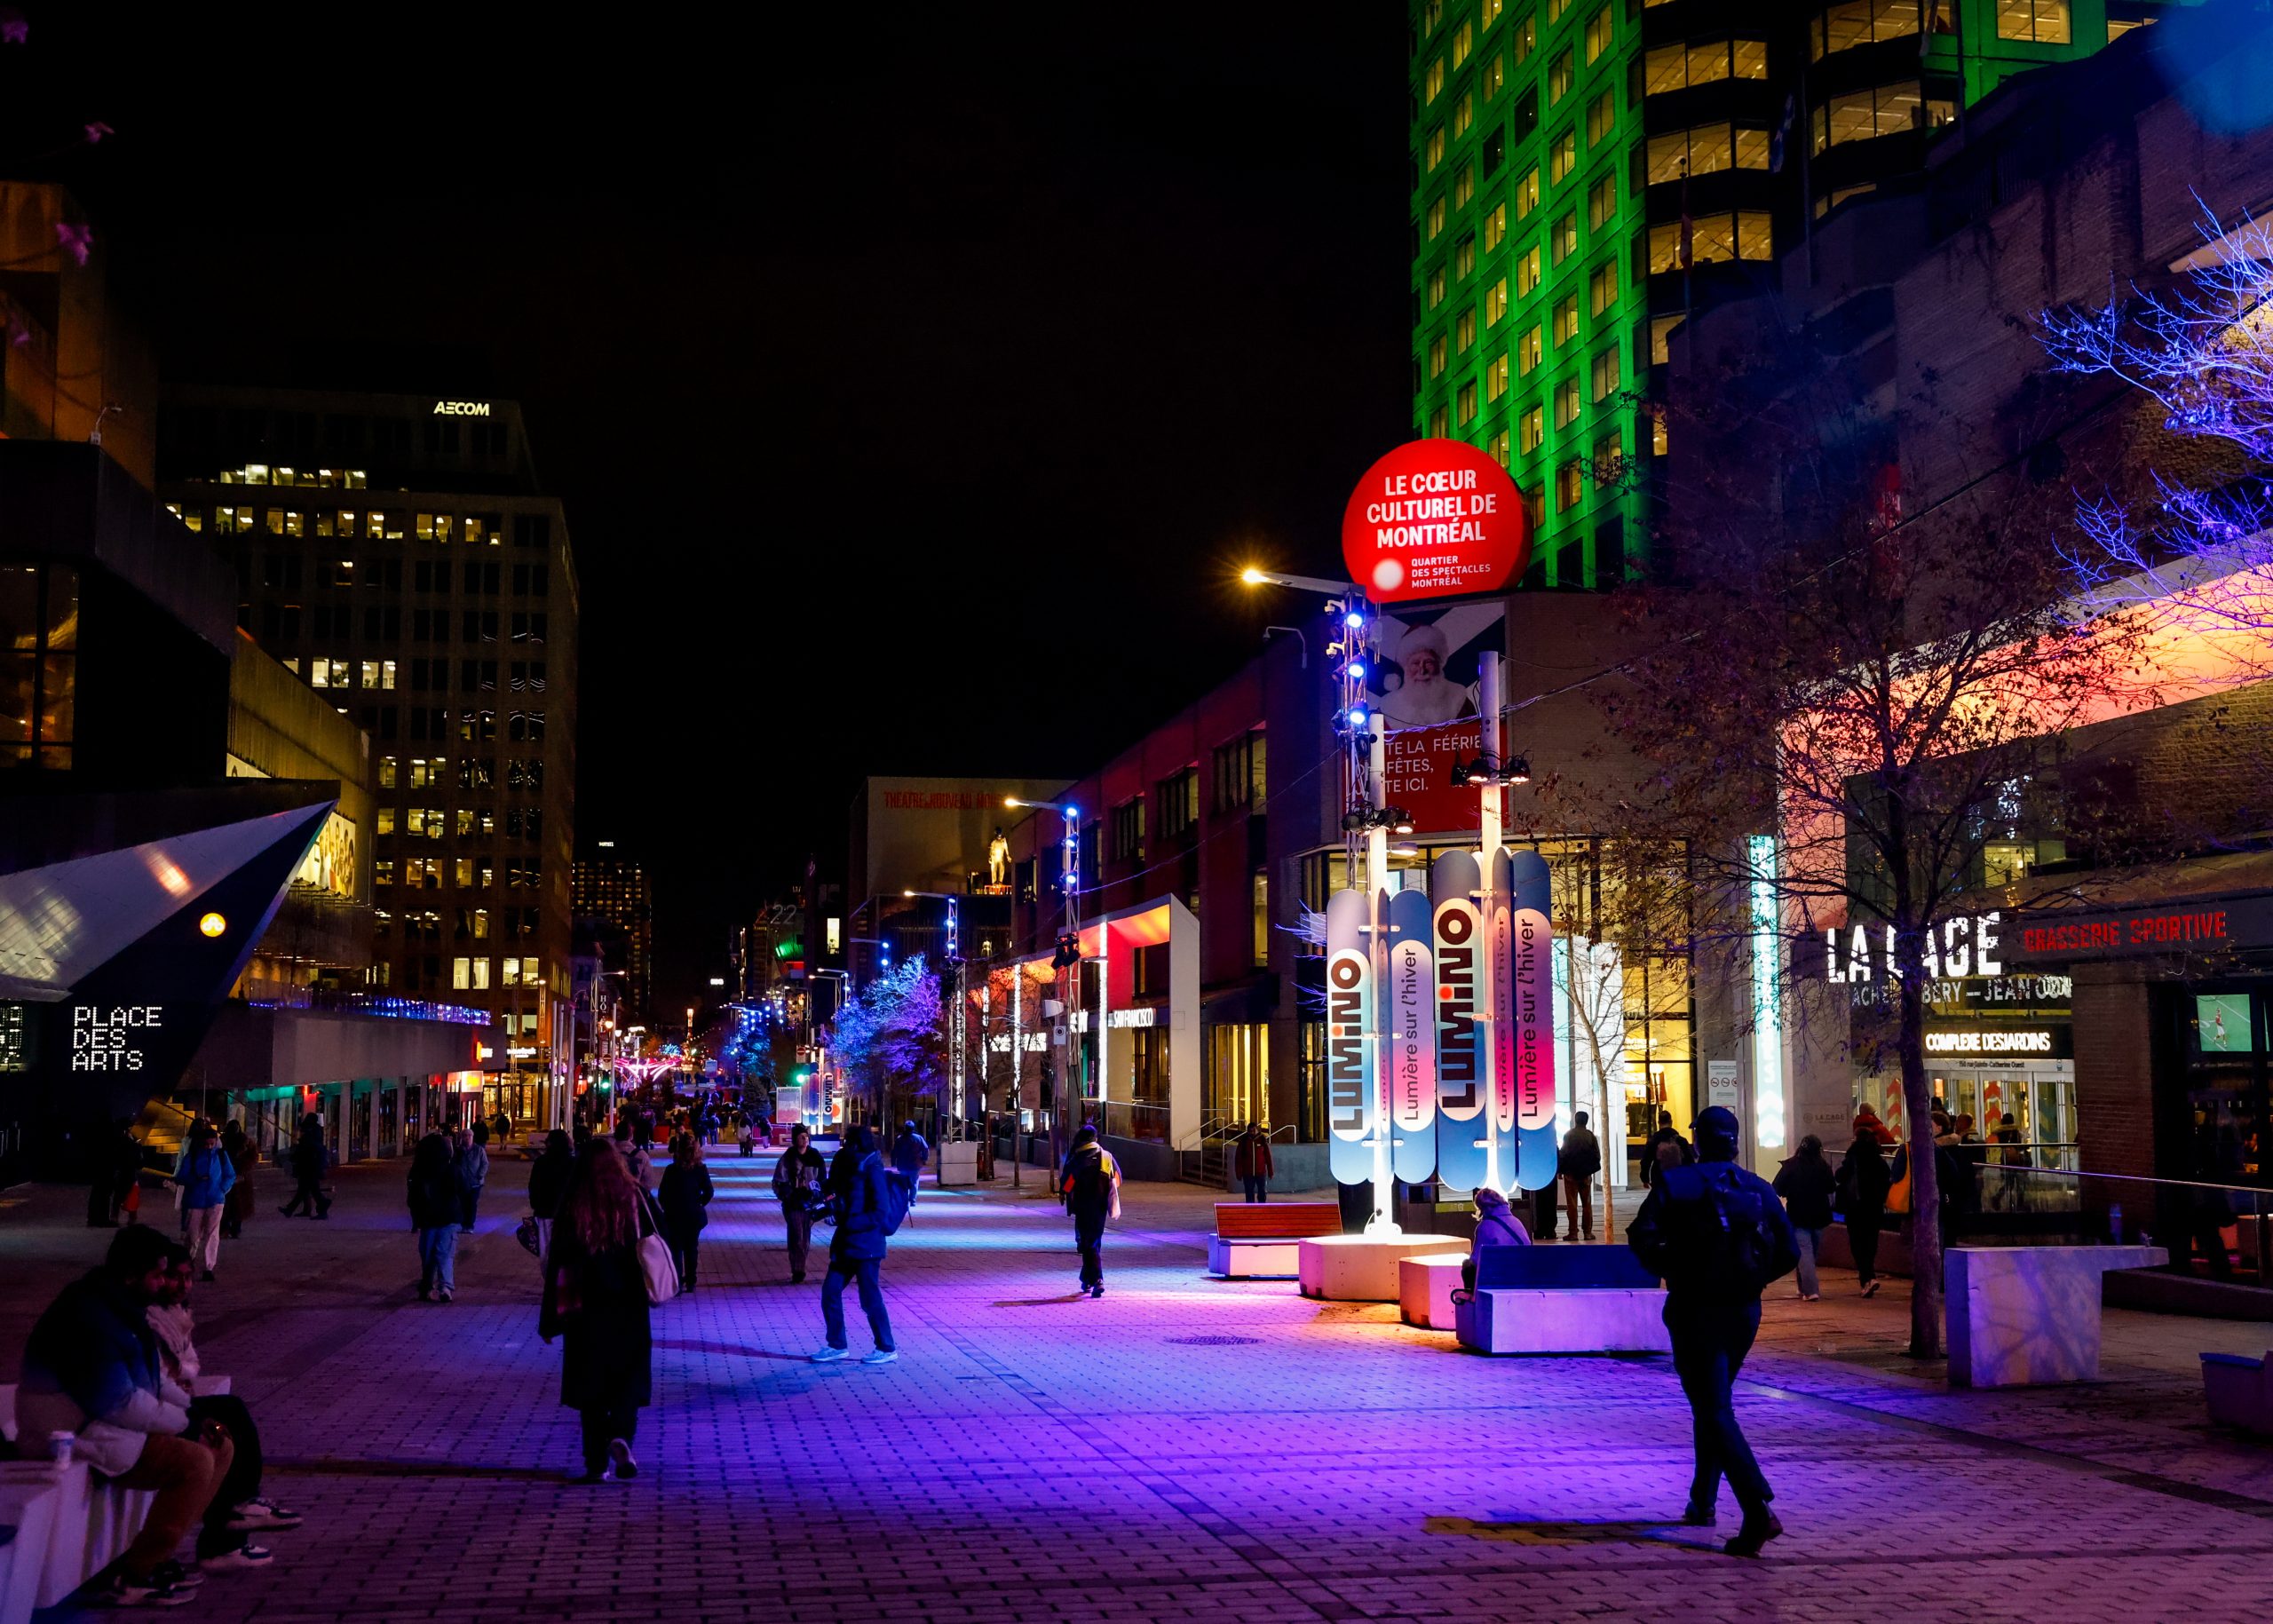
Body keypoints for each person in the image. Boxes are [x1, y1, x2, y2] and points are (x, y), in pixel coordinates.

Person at [16, 1225, 257, 1604]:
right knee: (194, 1460)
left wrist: (194, 1412)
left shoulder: (123, 1308)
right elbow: (119, 1402)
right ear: (130, 1274)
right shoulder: (89, 1317)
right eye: (157, 1275)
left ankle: (160, 1556)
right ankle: (136, 1575)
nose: (163, 1284)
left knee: (220, 1441)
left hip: (104, 1423)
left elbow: (152, 1381)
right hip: (70, 1431)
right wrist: (186, 1425)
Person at [1627, 1105, 1798, 1558]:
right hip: (1743, 1311)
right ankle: (1703, 1499)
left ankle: (1756, 1507)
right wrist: (1754, 1280)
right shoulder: (1757, 1188)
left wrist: (1675, 1270)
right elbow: (1790, 1251)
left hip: (1695, 1308)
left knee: (1713, 1407)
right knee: (1713, 1403)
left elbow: (1641, 1235)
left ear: (1698, 1141)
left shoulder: (1677, 1183)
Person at [147, 1246, 301, 1554]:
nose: (182, 1285)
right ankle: (228, 1527)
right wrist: (188, 1405)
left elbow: (188, 1364)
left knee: (227, 1423)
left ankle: (229, 1532)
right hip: (151, 1412)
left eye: (188, 1277)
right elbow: (159, 1378)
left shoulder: (176, 1314)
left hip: (167, 1403)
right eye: (173, 1277)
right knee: (223, 1426)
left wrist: (182, 1378)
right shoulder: (147, 1319)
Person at [539, 1139, 655, 1482]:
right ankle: (621, 1436)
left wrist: (550, 1320)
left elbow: (557, 1264)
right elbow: (659, 1238)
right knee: (627, 1379)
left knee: (590, 1386)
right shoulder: (635, 1197)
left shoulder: (574, 1203)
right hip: (629, 1305)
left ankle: (595, 1463)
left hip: (585, 1308)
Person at [812, 1123, 898, 1364]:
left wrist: (850, 1222)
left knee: (869, 1298)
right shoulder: (846, 1166)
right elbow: (838, 1194)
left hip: (867, 1246)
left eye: (849, 1143)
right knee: (830, 1291)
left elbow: (880, 1211)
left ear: (859, 1145)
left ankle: (886, 1347)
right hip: (846, 1243)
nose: (845, 1147)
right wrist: (825, 1203)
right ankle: (837, 1344)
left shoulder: (872, 1168)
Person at [1772, 1135, 1839, 1302]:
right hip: (1819, 1215)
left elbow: (1777, 1187)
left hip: (1798, 1214)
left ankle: (1806, 1288)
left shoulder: (1791, 1165)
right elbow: (1831, 1187)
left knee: (1804, 1252)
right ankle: (1809, 1289)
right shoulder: (1823, 1166)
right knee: (1810, 1252)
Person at [1060, 1125, 1121, 1299]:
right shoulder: (1106, 1156)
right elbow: (1118, 1179)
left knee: (1089, 1243)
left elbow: (1067, 1184)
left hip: (1083, 1207)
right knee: (1093, 1242)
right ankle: (1086, 1279)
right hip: (1100, 1207)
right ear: (1095, 1138)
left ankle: (1098, 1280)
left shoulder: (1077, 1157)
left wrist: (1065, 1193)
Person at [173, 1123, 236, 1284]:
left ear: (216, 1142)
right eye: (206, 1144)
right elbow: (181, 1176)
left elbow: (230, 1175)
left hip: (215, 1200)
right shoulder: (192, 1156)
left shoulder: (221, 1155)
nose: (209, 1147)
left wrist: (222, 1189)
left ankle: (209, 1267)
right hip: (196, 1200)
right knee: (193, 1235)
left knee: (212, 1234)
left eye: (211, 1144)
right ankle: (189, 1262)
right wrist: (196, 1180)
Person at [1834, 1125, 1892, 1298]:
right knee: (1871, 1242)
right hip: (1874, 1207)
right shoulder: (1879, 1160)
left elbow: (1839, 1176)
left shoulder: (1852, 1158)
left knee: (1857, 1243)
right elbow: (1887, 1181)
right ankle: (1869, 1275)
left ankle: (1867, 1277)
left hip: (1855, 1207)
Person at [408, 1132, 463, 1303]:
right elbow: (464, 1188)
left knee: (428, 1254)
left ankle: (427, 1286)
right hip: (448, 1217)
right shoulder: (451, 1168)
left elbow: (413, 1197)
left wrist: (416, 1219)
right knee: (445, 1253)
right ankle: (445, 1287)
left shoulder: (419, 1170)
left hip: (428, 1219)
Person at [658, 1132, 715, 1291]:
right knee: (691, 1247)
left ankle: (677, 1281)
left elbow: (663, 1193)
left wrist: (667, 1207)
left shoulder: (671, 1170)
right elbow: (709, 1191)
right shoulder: (700, 1169)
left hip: (674, 1214)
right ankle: (691, 1281)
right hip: (693, 1214)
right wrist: (699, 1203)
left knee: (676, 1248)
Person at [773, 1123, 828, 1282]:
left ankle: (800, 1266)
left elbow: (822, 1180)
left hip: (810, 1203)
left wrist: (819, 1196)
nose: (805, 1140)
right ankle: (798, 1270)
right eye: (801, 1137)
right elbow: (778, 1180)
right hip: (794, 1204)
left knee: (805, 1237)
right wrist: (787, 1195)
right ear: (795, 1140)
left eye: (806, 1137)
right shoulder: (788, 1158)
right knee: (796, 1235)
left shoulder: (815, 1157)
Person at [1460, 1184, 1532, 1294]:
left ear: (1481, 1207)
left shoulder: (1485, 1226)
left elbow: (1476, 1260)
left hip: (1499, 1277)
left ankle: (1473, 1297)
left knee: (1467, 1266)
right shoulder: (1516, 1221)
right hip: (1523, 1274)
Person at [528, 1129, 576, 1264]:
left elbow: (534, 1186)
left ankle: (549, 1272)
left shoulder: (541, 1162)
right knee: (565, 1250)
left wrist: (536, 1204)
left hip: (546, 1211)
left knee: (546, 1250)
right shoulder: (573, 1163)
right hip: (567, 1213)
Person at [89, 1114, 142, 1227]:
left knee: (117, 1195)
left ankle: (112, 1217)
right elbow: (137, 1160)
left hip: (119, 1171)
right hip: (126, 1172)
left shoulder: (117, 1139)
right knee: (128, 1194)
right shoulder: (130, 1142)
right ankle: (127, 1218)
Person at [1559, 1111, 1603, 1241]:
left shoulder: (1568, 1135)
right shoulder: (1590, 1136)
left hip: (1570, 1175)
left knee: (1572, 1205)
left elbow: (1563, 1154)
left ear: (1575, 1120)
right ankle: (1587, 1233)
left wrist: (1560, 1171)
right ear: (1586, 1121)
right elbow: (1597, 1156)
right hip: (1585, 1176)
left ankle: (1573, 1233)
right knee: (1586, 1204)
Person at [279, 1113, 330, 1219]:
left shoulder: (311, 1135)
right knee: (305, 1190)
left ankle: (323, 1206)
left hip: (310, 1167)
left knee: (311, 1190)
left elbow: (306, 1150)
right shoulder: (314, 1132)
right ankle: (290, 1209)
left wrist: (296, 1152)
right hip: (311, 1167)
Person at [220, 1121, 258, 1241]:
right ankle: (229, 1229)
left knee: (236, 1206)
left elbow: (252, 1158)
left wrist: (242, 1169)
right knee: (230, 1206)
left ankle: (232, 1229)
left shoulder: (244, 1141)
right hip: (231, 1177)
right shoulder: (224, 1141)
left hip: (238, 1178)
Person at [1991, 1111, 2031, 1212]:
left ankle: (1998, 1197)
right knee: (2020, 1182)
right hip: (2015, 1159)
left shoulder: (2000, 1132)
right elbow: (2018, 1145)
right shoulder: (2015, 1131)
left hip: (2005, 1157)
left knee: (2008, 1181)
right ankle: (2020, 1203)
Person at [1640, 1111, 1691, 1188]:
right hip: (1677, 1176)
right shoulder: (1681, 1140)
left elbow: (1646, 1161)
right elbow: (1689, 1160)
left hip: (1659, 1176)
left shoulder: (1653, 1140)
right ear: (1671, 1122)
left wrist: (1645, 1179)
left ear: (1658, 1122)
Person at [891, 1120, 930, 1219]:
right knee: (914, 1182)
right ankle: (912, 1200)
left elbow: (895, 1151)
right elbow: (925, 1149)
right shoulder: (918, 1138)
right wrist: (924, 1159)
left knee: (903, 1183)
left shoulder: (900, 1139)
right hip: (915, 1164)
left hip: (903, 1164)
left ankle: (904, 1200)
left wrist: (893, 1162)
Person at [455, 1126, 489, 1233]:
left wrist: (480, 1175)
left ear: (473, 1137)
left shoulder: (479, 1150)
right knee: (462, 1204)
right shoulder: (458, 1150)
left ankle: (469, 1225)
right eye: (465, 1136)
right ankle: (463, 1224)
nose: (467, 1138)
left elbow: (485, 1163)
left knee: (472, 1204)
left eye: (469, 1136)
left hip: (475, 1183)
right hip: (462, 1183)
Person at [1233, 1122, 1273, 1203]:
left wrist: (1270, 1171)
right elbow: (1238, 1158)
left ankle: (1262, 1207)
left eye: (1254, 1130)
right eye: (1250, 1131)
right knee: (1249, 1192)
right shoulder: (1244, 1140)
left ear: (1257, 1130)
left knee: (1262, 1192)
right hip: (1248, 1173)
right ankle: (1250, 1208)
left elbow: (1268, 1156)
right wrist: (1239, 1173)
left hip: (1260, 1172)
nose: (1252, 1133)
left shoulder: (1262, 1139)